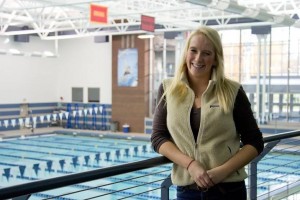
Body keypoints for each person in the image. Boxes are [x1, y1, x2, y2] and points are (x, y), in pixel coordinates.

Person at [151, 26, 264, 200]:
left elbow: (255, 141)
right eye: (193, 50)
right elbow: (158, 137)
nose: (198, 58)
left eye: (206, 53)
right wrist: (190, 165)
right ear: (186, 53)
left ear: (216, 59)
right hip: (186, 191)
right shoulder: (168, 89)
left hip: (228, 190)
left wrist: (222, 171)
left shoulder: (232, 91)